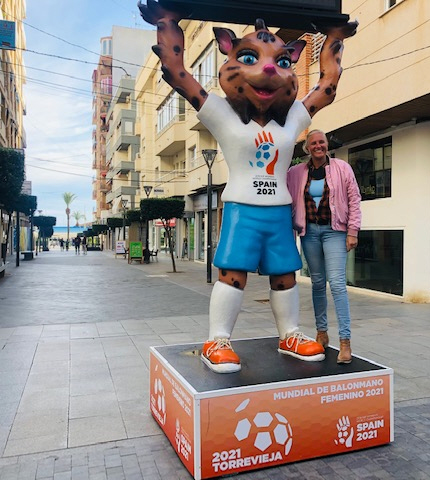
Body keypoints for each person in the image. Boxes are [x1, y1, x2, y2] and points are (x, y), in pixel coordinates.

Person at [139, 2, 357, 373]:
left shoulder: (293, 118)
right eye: (249, 57)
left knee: (285, 275)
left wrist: (334, 39)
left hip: (278, 212)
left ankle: (289, 333)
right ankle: (218, 339)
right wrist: (167, 22)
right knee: (233, 274)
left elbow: (327, 87)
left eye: (282, 61)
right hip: (242, 208)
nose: (268, 69)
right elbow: (178, 73)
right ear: (227, 52)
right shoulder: (221, 113)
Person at [287, 130, 362, 364]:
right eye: (313, 143)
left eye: (322, 142)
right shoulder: (296, 173)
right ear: (307, 148)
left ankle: (345, 342)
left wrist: (353, 231)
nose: (318, 146)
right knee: (318, 283)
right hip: (309, 232)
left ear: (326, 145)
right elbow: (286, 198)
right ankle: (321, 333)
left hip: (335, 231)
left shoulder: (342, 168)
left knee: (337, 284)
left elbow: (354, 199)